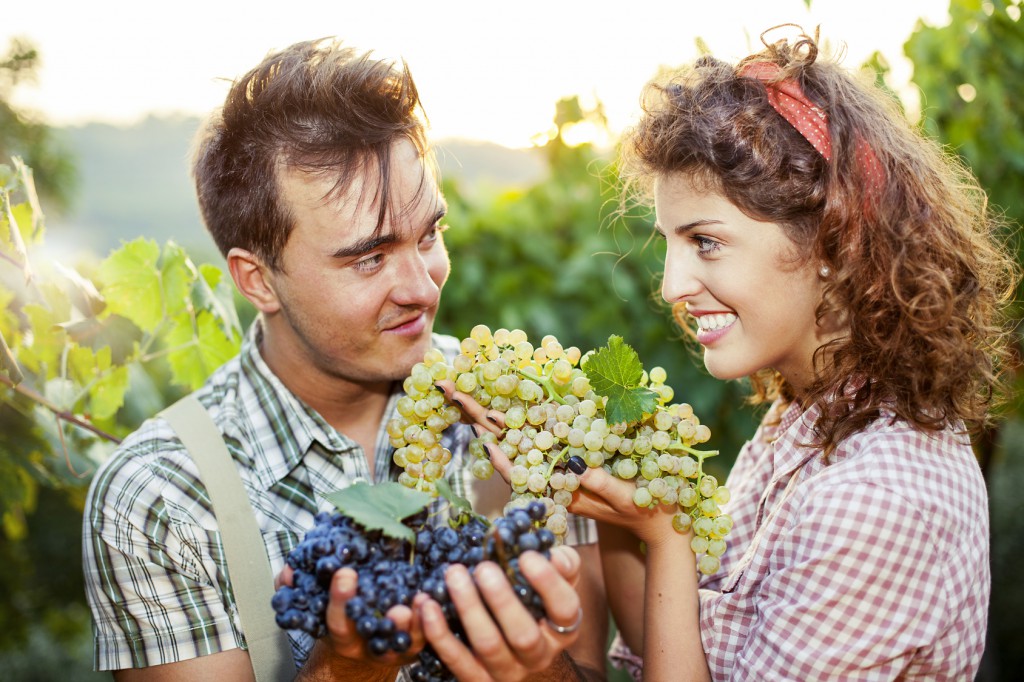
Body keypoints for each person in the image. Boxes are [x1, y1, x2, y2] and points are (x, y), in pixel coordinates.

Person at [449, 26, 1018, 681]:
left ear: (833, 244)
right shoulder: (806, 416)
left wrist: (664, 536)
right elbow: (672, 649)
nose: (671, 286)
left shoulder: (875, 499)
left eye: (707, 242)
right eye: (669, 242)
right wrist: (597, 493)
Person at [82, 38, 607, 681]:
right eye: (369, 258)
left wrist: (533, 670)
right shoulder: (161, 496)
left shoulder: (523, 411)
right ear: (258, 281)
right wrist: (348, 670)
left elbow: (586, 668)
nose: (423, 286)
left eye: (430, 235)